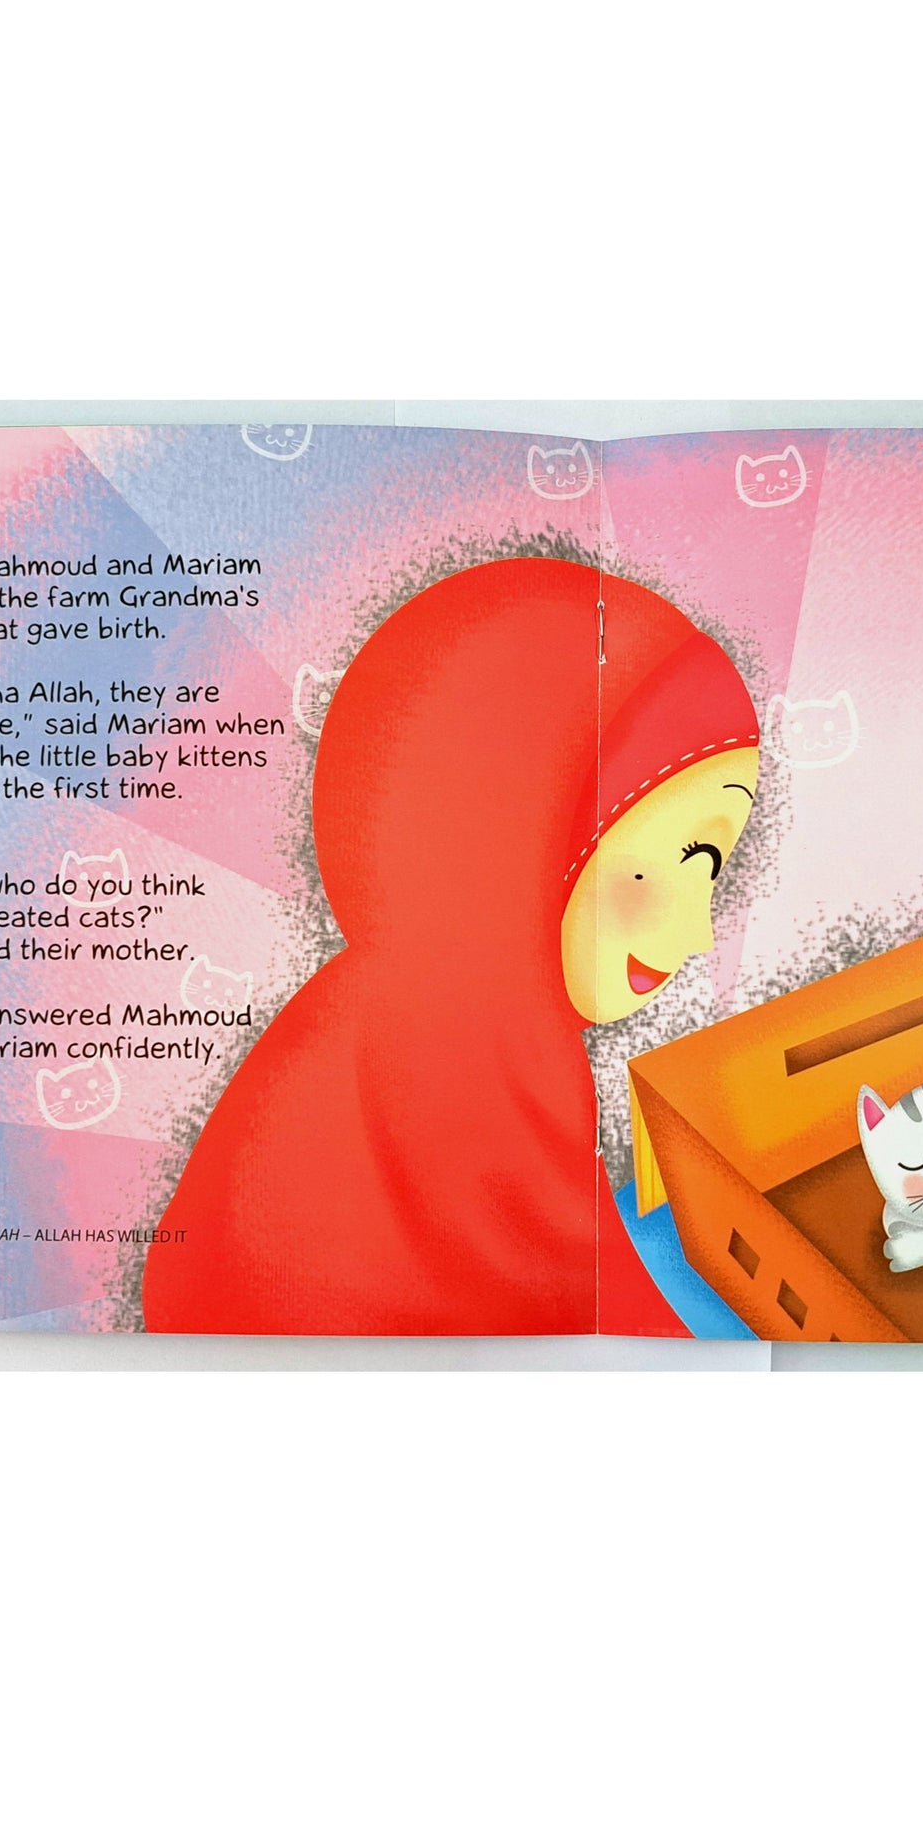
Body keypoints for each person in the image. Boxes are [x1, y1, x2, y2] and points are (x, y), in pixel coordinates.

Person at [142, 555, 759, 1335]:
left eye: (712, 867)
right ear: (517, 835)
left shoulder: (482, 1059)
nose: (699, 931)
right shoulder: (444, 1078)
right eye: (682, 859)